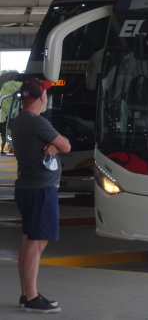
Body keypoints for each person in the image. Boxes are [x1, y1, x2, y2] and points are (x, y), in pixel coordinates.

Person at [12, 78, 71, 313]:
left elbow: (56, 145)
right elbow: (66, 145)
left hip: (27, 188)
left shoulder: (19, 121)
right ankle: (32, 298)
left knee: (29, 240)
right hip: (40, 190)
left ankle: (27, 292)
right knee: (37, 243)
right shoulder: (37, 122)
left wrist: (53, 144)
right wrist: (57, 143)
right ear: (41, 97)